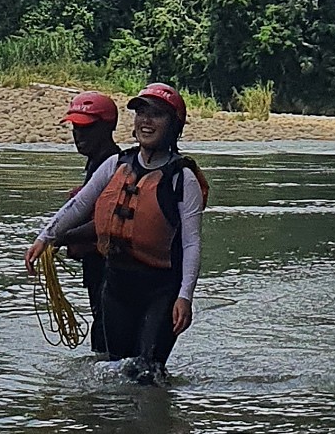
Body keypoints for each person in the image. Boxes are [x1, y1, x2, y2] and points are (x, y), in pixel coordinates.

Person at [24, 83, 205, 385]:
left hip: (160, 291)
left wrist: (184, 297)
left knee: (147, 374)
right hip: (118, 287)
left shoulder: (182, 178)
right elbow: (79, 206)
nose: (146, 121)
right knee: (116, 371)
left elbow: (191, 243)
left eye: (156, 115)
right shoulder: (115, 165)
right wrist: (45, 237)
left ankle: (154, 428)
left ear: (174, 125)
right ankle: (115, 429)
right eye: (141, 113)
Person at [56, 92, 122, 349]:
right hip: (96, 267)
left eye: (87, 128)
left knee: (106, 334)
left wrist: (63, 237)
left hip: (111, 269)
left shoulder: (116, 167)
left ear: (108, 127)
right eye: (75, 128)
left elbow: (109, 223)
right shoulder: (96, 164)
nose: (79, 135)